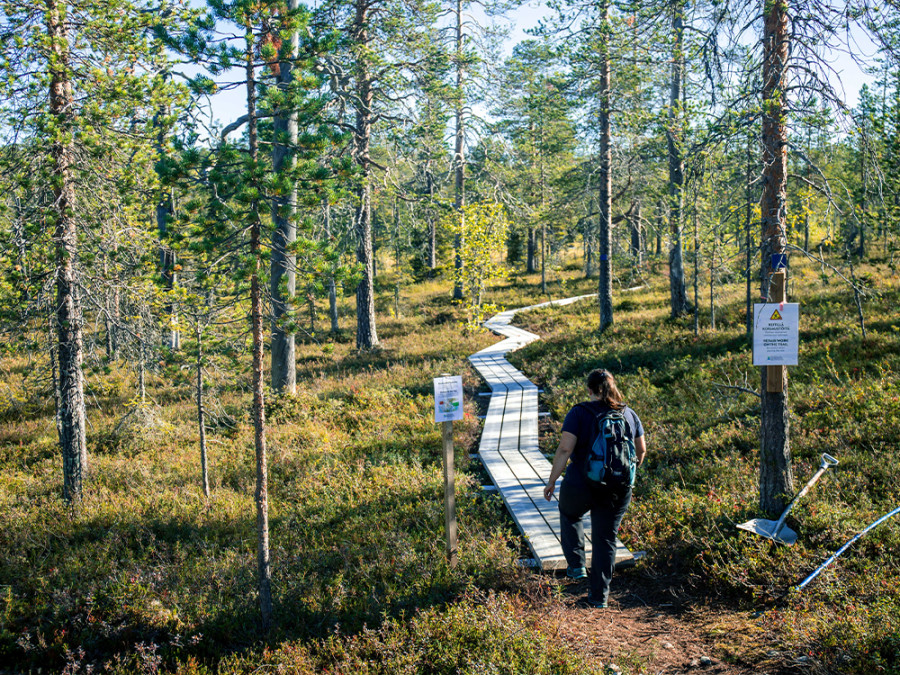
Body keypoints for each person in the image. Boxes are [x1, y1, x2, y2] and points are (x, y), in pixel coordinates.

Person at [543, 368, 646, 608]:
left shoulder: (579, 412)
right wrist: (625, 471)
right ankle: (599, 598)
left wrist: (551, 481)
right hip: (618, 488)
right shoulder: (629, 414)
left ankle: (577, 565)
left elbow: (565, 449)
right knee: (605, 538)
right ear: (613, 387)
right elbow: (640, 451)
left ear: (589, 389)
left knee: (570, 512)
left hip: (582, 483)